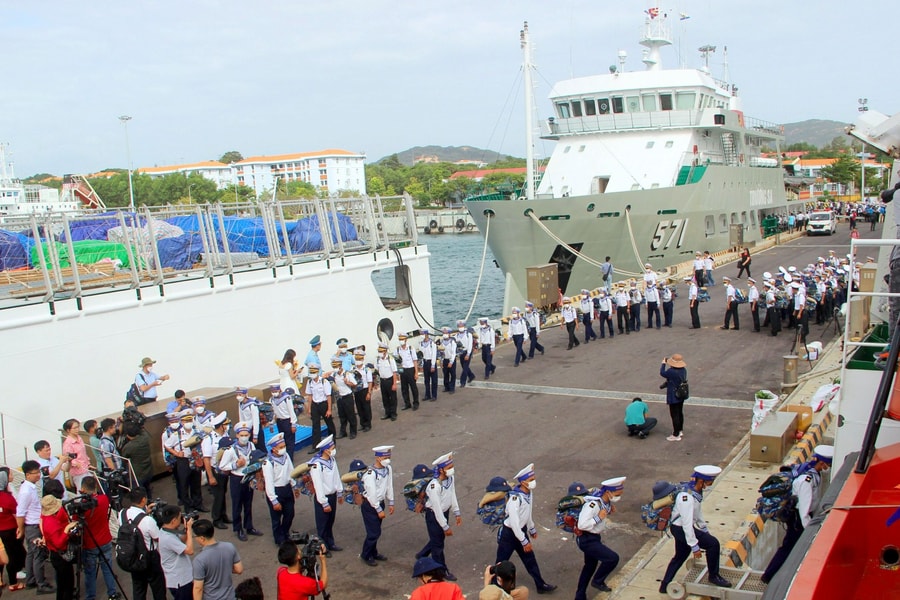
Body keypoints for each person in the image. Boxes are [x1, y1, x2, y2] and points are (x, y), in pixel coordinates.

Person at [761, 446, 834, 584]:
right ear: (822, 463)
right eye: (828, 464)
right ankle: (768, 576)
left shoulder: (814, 474)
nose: (828, 467)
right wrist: (810, 530)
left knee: (789, 547)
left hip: (801, 517)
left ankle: (771, 575)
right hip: (798, 520)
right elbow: (804, 509)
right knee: (788, 548)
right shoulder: (806, 480)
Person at [659, 465, 732, 593]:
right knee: (713, 544)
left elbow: (697, 513)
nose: (710, 484)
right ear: (701, 480)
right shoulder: (686, 497)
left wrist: (704, 529)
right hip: (681, 528)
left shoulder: (695, 491)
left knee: (680, 556)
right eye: (709, 481)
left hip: (680, 528)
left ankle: (664, 586)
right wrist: (695, 546)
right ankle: (713, 576)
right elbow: (687, 523)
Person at [496, 464, 555, 594]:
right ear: (523, 482)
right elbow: (514, 522)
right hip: (510, 534)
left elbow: (527, 514)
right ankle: (494, 588)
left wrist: (531, 528)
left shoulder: (528, 493)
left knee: (530, 560)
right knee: (500, 563)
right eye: (530, 479)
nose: (533, 481)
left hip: (521, 532)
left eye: (533, 478)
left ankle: (540, 584)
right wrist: (524, 541)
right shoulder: (515, 499)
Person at [571, 478, 626, 598]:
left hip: (594, 537)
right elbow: (582, 524)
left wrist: (608, 511)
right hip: (587, 539)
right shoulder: (593, 504)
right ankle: (597, 581)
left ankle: (580, 595)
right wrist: (598, 518)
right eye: (617, 494)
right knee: (612, 558)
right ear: (608, 492)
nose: (618, 497)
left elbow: (602, 511)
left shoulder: (605, 502)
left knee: (589, 566)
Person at [417, 453, 461, 581]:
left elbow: (452, 494)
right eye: (449, 467)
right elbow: (436, 508)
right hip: (434, 516)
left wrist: (456, 512)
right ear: (441, 469)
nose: (451, 469)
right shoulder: (434, 486)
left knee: (438, 539)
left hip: (444, 513)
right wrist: (445, 526)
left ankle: (422, 554)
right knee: (438, 546)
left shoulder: (450, 479)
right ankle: (441, 571)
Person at [218, 422, 263, 542]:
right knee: (237, 504)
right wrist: (235, 464)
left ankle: (249, 526)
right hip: (236, 479)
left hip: (249, 477)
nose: (244, 437)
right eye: (241, 435)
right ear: (237, 435)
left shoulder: (251, 446)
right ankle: (238, 528)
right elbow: (222, 466)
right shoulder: (231, 450)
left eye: (246, 434)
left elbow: (255, 459)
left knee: (248, 504)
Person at [121, 487, 167, 600]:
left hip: (133, 556)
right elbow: (157, 537)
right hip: (150, 557)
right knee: (158, 588)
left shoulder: (122, 513)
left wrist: (144, 513)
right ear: (143, 500)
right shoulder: (148, 520)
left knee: (138, 589)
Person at [79, 477, 119, 600]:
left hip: (90, 543)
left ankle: (91, 596)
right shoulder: (104, 499)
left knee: (90, 572)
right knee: (107, 568)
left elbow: (76, 520)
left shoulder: (82, 507)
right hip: (105, 539)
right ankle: (112, 592)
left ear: (83, 489)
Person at [16, 460, 53, 594]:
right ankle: (40, 584)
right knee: (38, 555)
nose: (38, 475)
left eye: (38, 471)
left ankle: (31, 580)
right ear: (27, 474)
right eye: (35, 472)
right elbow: (20, 512)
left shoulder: (29, 487)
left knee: (31, 554)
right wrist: (20, 529)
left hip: (32, 525)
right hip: (32, 526)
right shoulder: (26, 491)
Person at [359, 446, 394, 566]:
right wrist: (378, 509)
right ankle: (366, 554)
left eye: (389, 457)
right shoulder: (370, 474)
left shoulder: (387, 468)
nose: (388, 459)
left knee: (376, 530)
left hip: (380, 502)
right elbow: (371, 493)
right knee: (374, 532)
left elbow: (389, 485)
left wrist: (391, 501)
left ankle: (373, 552)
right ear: (378, 458)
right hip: (370, 505)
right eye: (385, 457)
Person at [261, 433, 298, 546]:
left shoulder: (285, 456)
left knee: (290, 514)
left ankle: (285, 532)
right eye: (280, 447)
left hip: (286, 489)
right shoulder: (268, 463)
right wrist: (274, 500)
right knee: (276, 518)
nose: (283, 449)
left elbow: (291, 470)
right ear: (274, 449)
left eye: (283, 446)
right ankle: (279, 539)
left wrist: (294, 485)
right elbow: (269, 482)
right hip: (276, 491)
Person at [191, 519, 243, 600]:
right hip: (230, 596)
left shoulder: (199, 560)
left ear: (202, 538)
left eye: (194, 536)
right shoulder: (229, 547)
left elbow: (198, 588)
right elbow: (239, 569)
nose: (194, 539)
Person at [308, 435, 342, 554]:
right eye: (331, 448)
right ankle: (322, 548)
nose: (333, 450)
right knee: (322, 525)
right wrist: (324, 502)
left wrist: (339, 491)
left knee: (330, 521)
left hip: (332, 495)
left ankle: (330, 543)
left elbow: (336, 475)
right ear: (326, 450)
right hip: (323, 498)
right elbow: (318, 485)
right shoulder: (317, 465)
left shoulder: (331, 460)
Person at [39, 495, 78, 600]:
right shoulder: (52, 523)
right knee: (67, 584)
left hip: (55, 554)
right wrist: (67, 530)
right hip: (59, 556)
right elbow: (59, 543)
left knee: (62, 584)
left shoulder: (47, 518)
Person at [158, 505, 195, 600]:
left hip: (180, 578)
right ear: (173, 520)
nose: (181, 519)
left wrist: (186, 528)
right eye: (179, 517)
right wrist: (190, 530)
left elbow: (181, 540)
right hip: (180, 581)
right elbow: (190, 550)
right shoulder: (168, 538)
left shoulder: (166, 531)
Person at [0, 468, 26, 592]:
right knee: (13, 556)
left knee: (4, 557)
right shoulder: (6, 498)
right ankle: (13, 583)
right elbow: (17, 514)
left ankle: (2, 580)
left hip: (1, 532)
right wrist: (21, 529)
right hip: (10, 531)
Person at [304, 365, 336, 453]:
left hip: (324, 404)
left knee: (329, 424)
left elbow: (328, 396)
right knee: (315, 426)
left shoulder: (324, 382)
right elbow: (310, 395)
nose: (312, 374)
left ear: (317, 372)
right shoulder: (309, 382)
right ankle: (315, 445)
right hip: (315, 404)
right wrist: (309, 408)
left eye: (314, 372)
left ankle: (332, 442)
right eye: (311, 373)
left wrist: (329, 409)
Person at [121, 421, 154, 497]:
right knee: (147, 489)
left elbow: (124, 459)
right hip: (148, 470)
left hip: (137, 474)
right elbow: (142, 431)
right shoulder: (145, 438)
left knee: (140, 495)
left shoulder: (128, 447)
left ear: (127, 435)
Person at [660, 354, 688, 442]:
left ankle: (676, 434)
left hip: (673, 395)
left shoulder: (671, 371)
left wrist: (663, 364)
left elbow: (662, 372)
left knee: (674, 414)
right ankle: (680, 430)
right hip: (681, 393)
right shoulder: (683, 370)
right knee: (680, 412)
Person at [329, 358, 358, 438]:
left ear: (340, 366)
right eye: (333, 367)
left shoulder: (347, 374)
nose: (335, 368)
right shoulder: (334, 375)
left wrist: (347, 382)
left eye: (336, 366)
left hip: (347, 396)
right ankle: (343, 432)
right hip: (340, 397)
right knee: (342, 416)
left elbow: (355, 384)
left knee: (350, 415)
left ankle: (353, 431)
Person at [270, 380, 298, 460]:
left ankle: (290, 459)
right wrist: (271, 423)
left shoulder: (286, 398)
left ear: (279, 390)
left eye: (275, 391)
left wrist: (293, 424)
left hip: (287, 421)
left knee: (290, 441)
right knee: (282, 441)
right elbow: (273, 412)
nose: (274, 393)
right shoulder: (272, 399)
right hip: (279, 421)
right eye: (272, 391)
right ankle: (285, 457)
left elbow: (291, 411)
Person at [61, 420, 90, 491]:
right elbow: (68, 457)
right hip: (78, 471)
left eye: (78, 427)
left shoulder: (79, 438)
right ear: (68, 430)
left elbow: (84, 453)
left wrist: (88, 462)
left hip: (86, 467)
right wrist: (76, 463)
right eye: (75, 428)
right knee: (82, 490)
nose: (77, 429)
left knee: (90, 488)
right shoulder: (67, 443)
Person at [395, 333, 420, 410]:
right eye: (400, 339)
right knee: (404, 388)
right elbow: (397, 362)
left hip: (410, 369)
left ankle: (416, 403)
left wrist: (416, 372)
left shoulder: (410, 348)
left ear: (406, 340)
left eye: (402, 339)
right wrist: (398, 373)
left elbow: (415, 360)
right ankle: (407, 403)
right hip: (403, 370)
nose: (401, 341)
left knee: (413, 387)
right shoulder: (397, 349)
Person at [375, 342, 400, 419]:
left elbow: (394, 372)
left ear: (385, 351)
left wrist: (394, 384)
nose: (379, 353)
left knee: (392, 398)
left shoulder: (390, 359)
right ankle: (387, 413)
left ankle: (393, 413)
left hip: (390, 380)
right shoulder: (378, 359)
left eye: (381, 351)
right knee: (385, 398)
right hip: (383, 380)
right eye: (379, 351)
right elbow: (377, 370)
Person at [352, 348, 376, 428]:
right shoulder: (353, 369)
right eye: (356, 358)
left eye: (359, 358)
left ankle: (368, 424)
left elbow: (370, 382)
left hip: (365, 390)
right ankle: (362, 424)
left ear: (362, 359)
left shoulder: (366, 369)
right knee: (359, 408)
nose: (358, 360)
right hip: (357, 391)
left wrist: (369, 392)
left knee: (366, 408)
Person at [420, 331, 439, 401]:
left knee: (434, 380)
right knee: (426, 380)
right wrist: (422, 364)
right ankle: (427, 395)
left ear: (426, 335)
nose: (421, 336)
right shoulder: (421, 343)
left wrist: (433, 365)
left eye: (422, 334)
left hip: (431, 362)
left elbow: (434, 355)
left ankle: (434, 395)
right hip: (425, 362)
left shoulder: (432, 343)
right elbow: (421, 355)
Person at [456, 320, 476, 388]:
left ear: (464, 326)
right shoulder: (456, 335)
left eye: (461, 326)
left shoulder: (468, 335)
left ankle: (462, 382)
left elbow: (470, 345)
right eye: (459, 326)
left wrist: (468, 354)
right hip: (461, 352)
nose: (460, 327)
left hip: (467, 352)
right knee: (464, 366)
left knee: (465, 368)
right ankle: (471, 375)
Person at [439, 329, 458, 393]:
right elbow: (441, 352)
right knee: (445, 374)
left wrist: (451, 362)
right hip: (444, 359)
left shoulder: (452, 342)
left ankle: (452, 388)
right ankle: (446, 387)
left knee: (452, 374)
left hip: (450, 359)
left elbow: (453, 353)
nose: (444, 335)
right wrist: (441, 361)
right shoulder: (442, 341)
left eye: (446, 333)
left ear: (449, 334)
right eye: (443, 333)